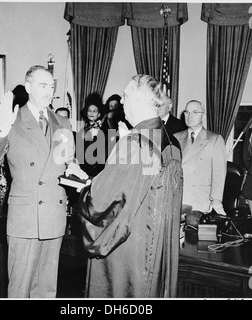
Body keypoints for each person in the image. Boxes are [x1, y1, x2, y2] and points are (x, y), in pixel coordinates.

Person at [0, 65, 87, 298]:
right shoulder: (13, 119)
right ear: (28, 87)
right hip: (26, 216)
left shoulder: (63, 122)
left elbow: (67, 159)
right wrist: (3, 126)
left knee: (47, 288)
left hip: (54, 213)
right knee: (20, 287)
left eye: (51, 86)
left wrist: (74, 166)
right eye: (42, 85)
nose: (49, 91)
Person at [77, 74, 183, 298]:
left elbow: (102, 203)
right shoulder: (167, 138)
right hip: (154, 247)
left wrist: (85, 185)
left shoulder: (136, 143)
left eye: (125, 96)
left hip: (128, 253)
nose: (122, 102)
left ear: (139, 100)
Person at [174, 100, 227, 215]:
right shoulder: (176, 138)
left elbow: (219, 172)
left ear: (203, 115)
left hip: (200, 200)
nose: (190, 116)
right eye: (187, 112)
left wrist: (216, 199)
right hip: (177, 199)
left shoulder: (214, 139)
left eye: (195, 112)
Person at [77, 92, 107, 178]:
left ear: (99, 114)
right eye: (89, 111)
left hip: (97, 170)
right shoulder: (82, 131)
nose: (91, 113)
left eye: (95, 111)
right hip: (83, 169)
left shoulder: (103, 131)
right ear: (86, 113)